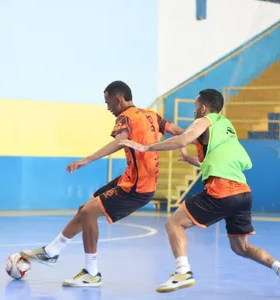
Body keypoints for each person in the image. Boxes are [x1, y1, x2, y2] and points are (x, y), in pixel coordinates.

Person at [118, 89, 280, 297]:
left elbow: (182, 140)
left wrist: (145, 148)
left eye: (196, 106)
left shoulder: (205, 120)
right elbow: (214, 162)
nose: (194, 110)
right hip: (242, 193)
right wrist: (191, 160)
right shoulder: (226, 125)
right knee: (240, 248)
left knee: (173, 223)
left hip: (221, 190)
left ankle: (182, 272)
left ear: (203, 107)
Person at [19, 80, 184, 287]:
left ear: (119, 99)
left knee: (88, 213)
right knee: (83, 210)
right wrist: (183, 149)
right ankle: (51, 252)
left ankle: (92, 273)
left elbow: (119, 141)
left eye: (108, 103)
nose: (108, 108)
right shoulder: (151, 115)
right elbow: (179, 132)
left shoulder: (125, 117)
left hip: (136, 188)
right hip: (130, 179)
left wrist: (86, 160)